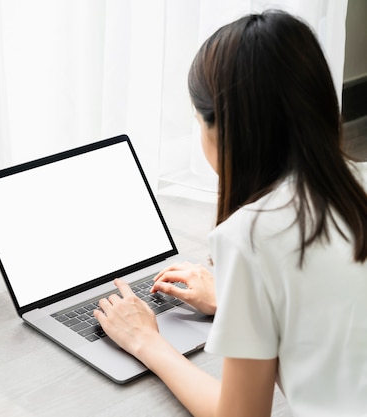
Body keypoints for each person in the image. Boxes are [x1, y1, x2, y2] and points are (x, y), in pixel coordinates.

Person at [94, 10, 367, 417]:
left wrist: (146, 342)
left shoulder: (249, 236)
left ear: (221, 128)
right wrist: (233, 303)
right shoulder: (358, 181)